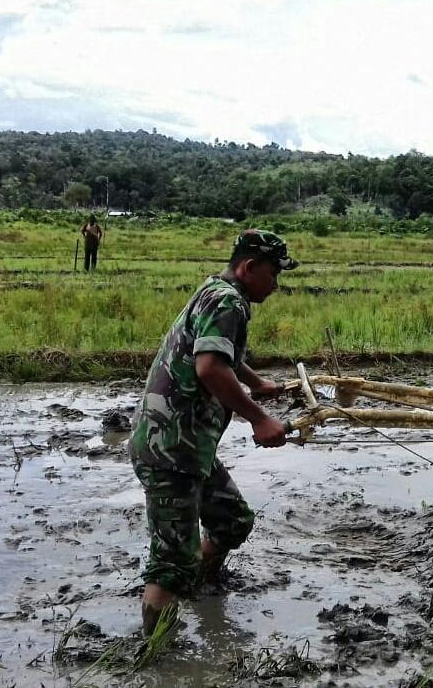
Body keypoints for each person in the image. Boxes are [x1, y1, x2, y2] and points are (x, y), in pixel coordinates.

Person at [129, 229, 298, 636]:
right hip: (171, 448)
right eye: (274, 273)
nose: (276, 284)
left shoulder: (218, 290)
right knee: (171, 563)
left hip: (188, 445)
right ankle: (158, 653)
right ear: (250, 267)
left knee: (232, 521)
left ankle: (199, 589)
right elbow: (209, 367)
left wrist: (257, 383)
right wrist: (259, 417)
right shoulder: (228, 301)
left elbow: (219, 351)